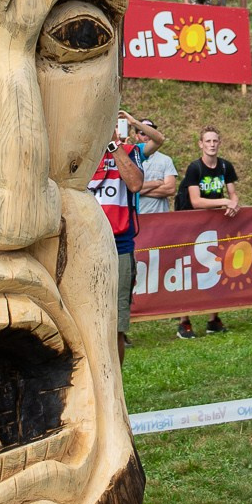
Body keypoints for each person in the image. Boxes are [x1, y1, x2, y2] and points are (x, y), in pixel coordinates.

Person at [92, 110, 162, 362]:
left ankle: (116, 387)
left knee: (117, 324)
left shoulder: (129, 151)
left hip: (119, 246)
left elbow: (135, 184)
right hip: (86, 246)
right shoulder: (80, 154)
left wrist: (114, 144)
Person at [176, 126, 239, 338]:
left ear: (219, 143)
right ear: (201, 144)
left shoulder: (225, 166)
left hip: (214, 224)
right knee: (189, 269)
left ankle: (214, 319)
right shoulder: (195, 168)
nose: (212, 144)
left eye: (215, 141)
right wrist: (224, 201)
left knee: (216, 267)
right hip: (190, 224)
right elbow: (195, 201)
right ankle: (184, 320)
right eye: (208, 141)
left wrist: (233, 204)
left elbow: (233, 193)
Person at [135, 118, 179, 214]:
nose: (147, 136)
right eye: (143, 133)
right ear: (136, 136)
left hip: (160, 219)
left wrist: (139, 192)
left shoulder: (165, 160)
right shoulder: (130, 158)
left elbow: (170, 189)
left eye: (150, 132)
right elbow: (131, 188)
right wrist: (156, 183)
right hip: (138, 217)